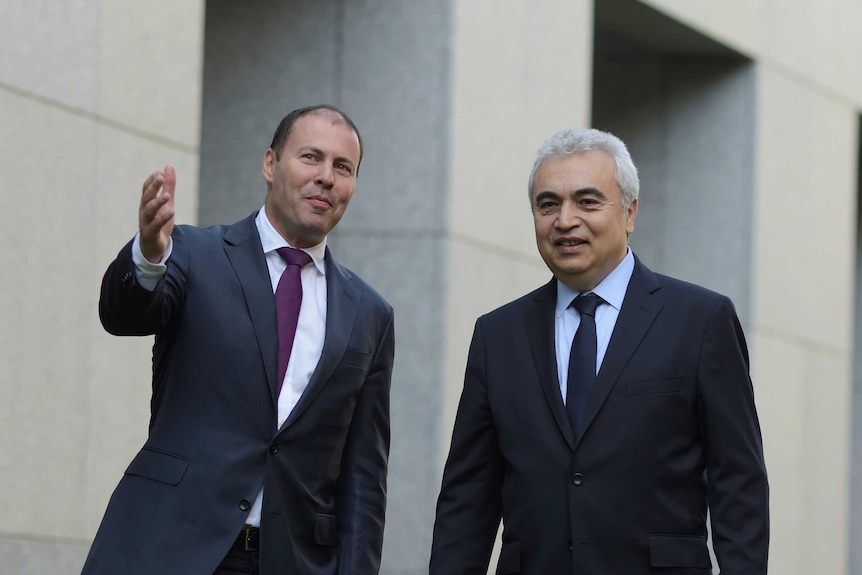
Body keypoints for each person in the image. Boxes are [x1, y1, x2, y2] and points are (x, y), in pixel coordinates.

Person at [430, 128, 768, 574]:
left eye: (588, 202)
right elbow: (467, 497)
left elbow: (738, 483)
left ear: (630, 213)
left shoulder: (700, 321)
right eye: (548, 205)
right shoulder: (498, 335)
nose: (565, 220)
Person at [82, 105, 395, 575]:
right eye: (311, 157)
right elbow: (122, 315)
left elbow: (363, 478)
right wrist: (148, 256)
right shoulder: (194, 253)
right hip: (168, 547)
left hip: (292, 560)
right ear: (270, 164)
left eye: (342, 167)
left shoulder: (369, 313)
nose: (327, 177)